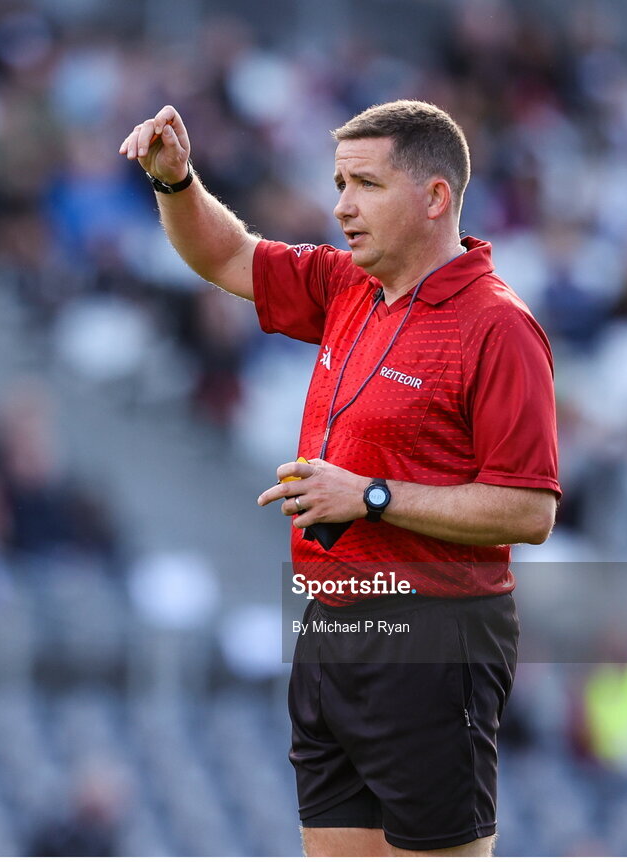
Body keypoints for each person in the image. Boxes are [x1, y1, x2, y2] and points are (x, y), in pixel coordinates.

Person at [120, 99, 560, 856]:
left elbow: (528, 511)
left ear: (434, 198)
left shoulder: (498, 325)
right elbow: (228, 256)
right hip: (332, 624)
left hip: (434, 632)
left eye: (364, 184)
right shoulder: (348, 285)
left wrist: (370, 497)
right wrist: (177, 183)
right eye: (337, 182)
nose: (340, 205)